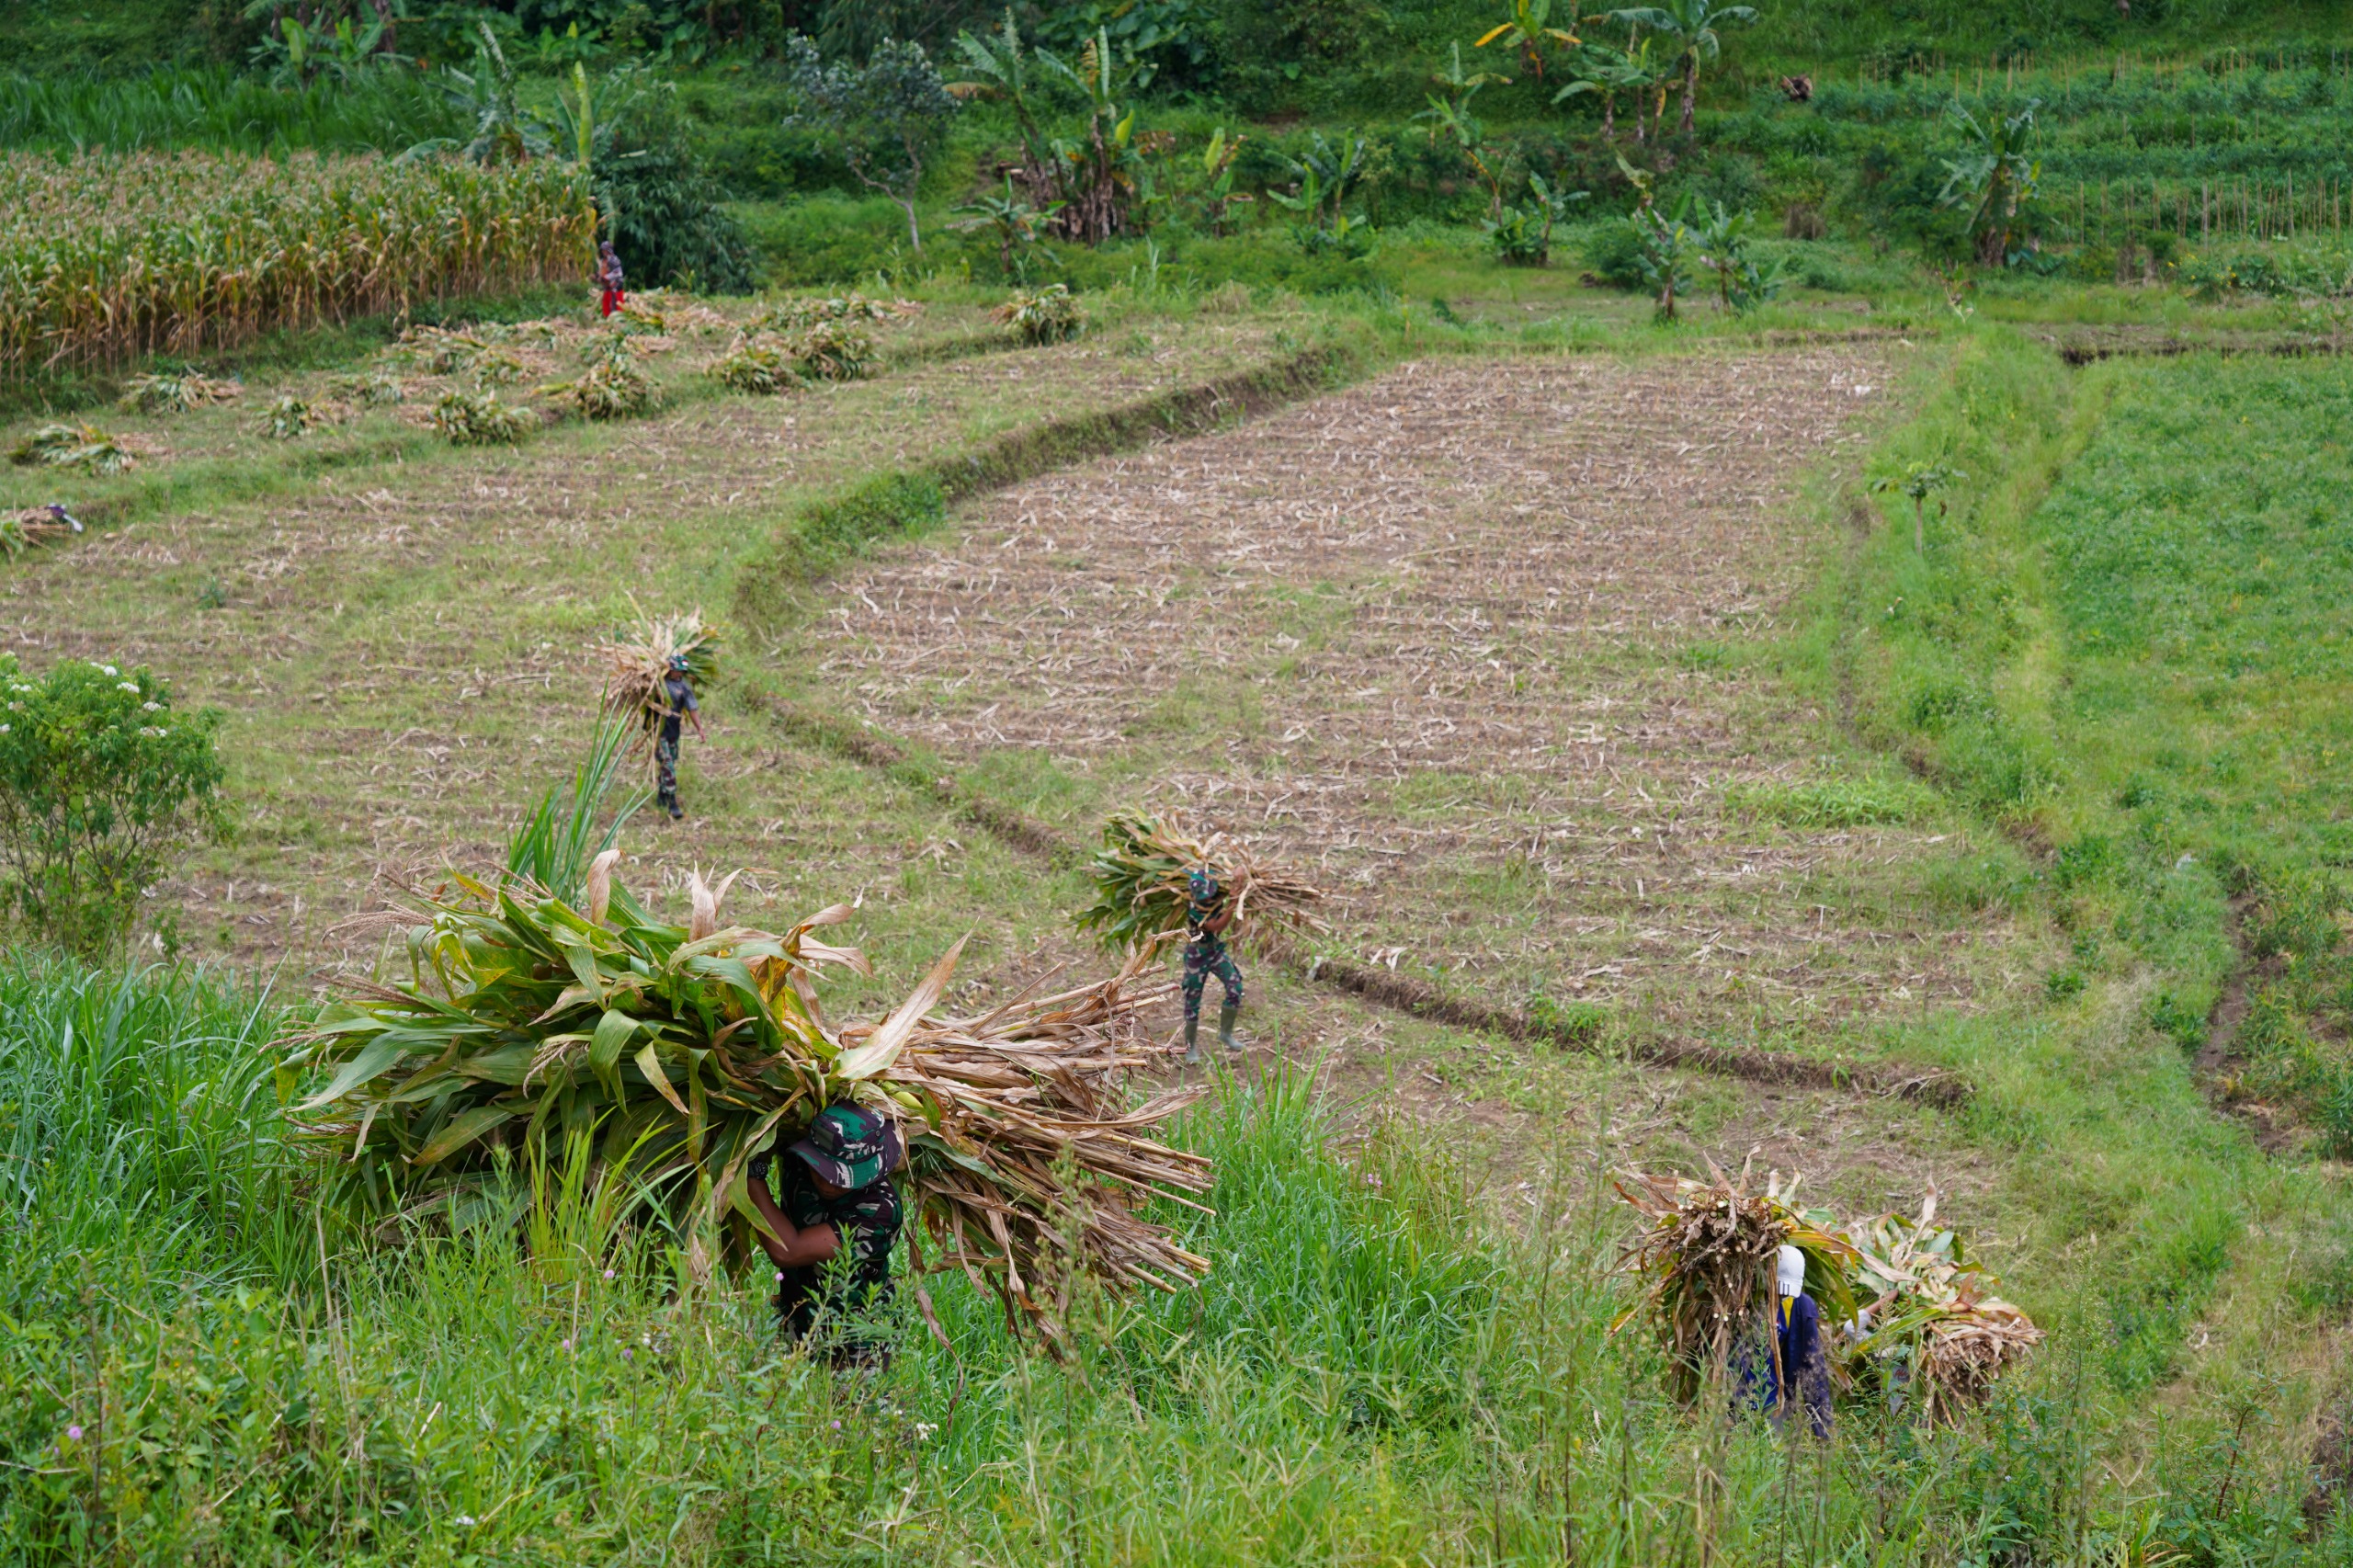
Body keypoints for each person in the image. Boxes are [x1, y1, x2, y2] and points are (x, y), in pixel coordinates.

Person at [745, 1102, 906, 1369]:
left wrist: (752, 1176)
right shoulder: (800, 1157)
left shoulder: (881, 1211)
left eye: (842, 1177)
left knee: (847, 1398)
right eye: (823, 1170)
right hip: (796, 1316)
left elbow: (788, 1251)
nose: (828, 1183)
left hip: (856, 1338)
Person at [1759, 1243, 1833, 1437]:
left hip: (1777, 1402)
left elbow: (1813, 1367)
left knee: (1775, 1447)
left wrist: (1822, 1428)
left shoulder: (1801, 1306)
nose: (1781, 1295)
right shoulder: (1746, 1303)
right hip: (1742, 1400)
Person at [1180, 868, 1245, 1064]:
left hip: (1215, 951)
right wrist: (1233, 903)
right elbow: (1216, 926)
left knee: (1235, 987)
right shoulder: (1194, 908)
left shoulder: (1216, 889)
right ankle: (1190, 1048)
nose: (1208, 898)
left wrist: (1238, 878)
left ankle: (1226, 1034)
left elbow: (1234, 879)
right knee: (1192, 1000)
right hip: (1197, 956)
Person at [654, 653, 703, 821]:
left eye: (681, 671)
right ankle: (672, 803)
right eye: (676, 670)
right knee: (668, 765)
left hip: (674, 733)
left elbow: (692, 709)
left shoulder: (684, 687)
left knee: (669, 763)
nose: (678, 673)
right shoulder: (658, 683)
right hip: (659, 732)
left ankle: (662, 795)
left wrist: (700, 729)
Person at [597, 241, 627, 318]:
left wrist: (606, 277)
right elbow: (602, 271)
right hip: (607, 285)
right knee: (606, 301)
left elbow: (618, 272)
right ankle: (607, 317)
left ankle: (618, 318)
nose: (603, 252)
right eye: (603, 250)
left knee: (616, 303)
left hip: (616, 284)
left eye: (605, 250)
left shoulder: (614, 259)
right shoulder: (603, 260)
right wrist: (599, 277)